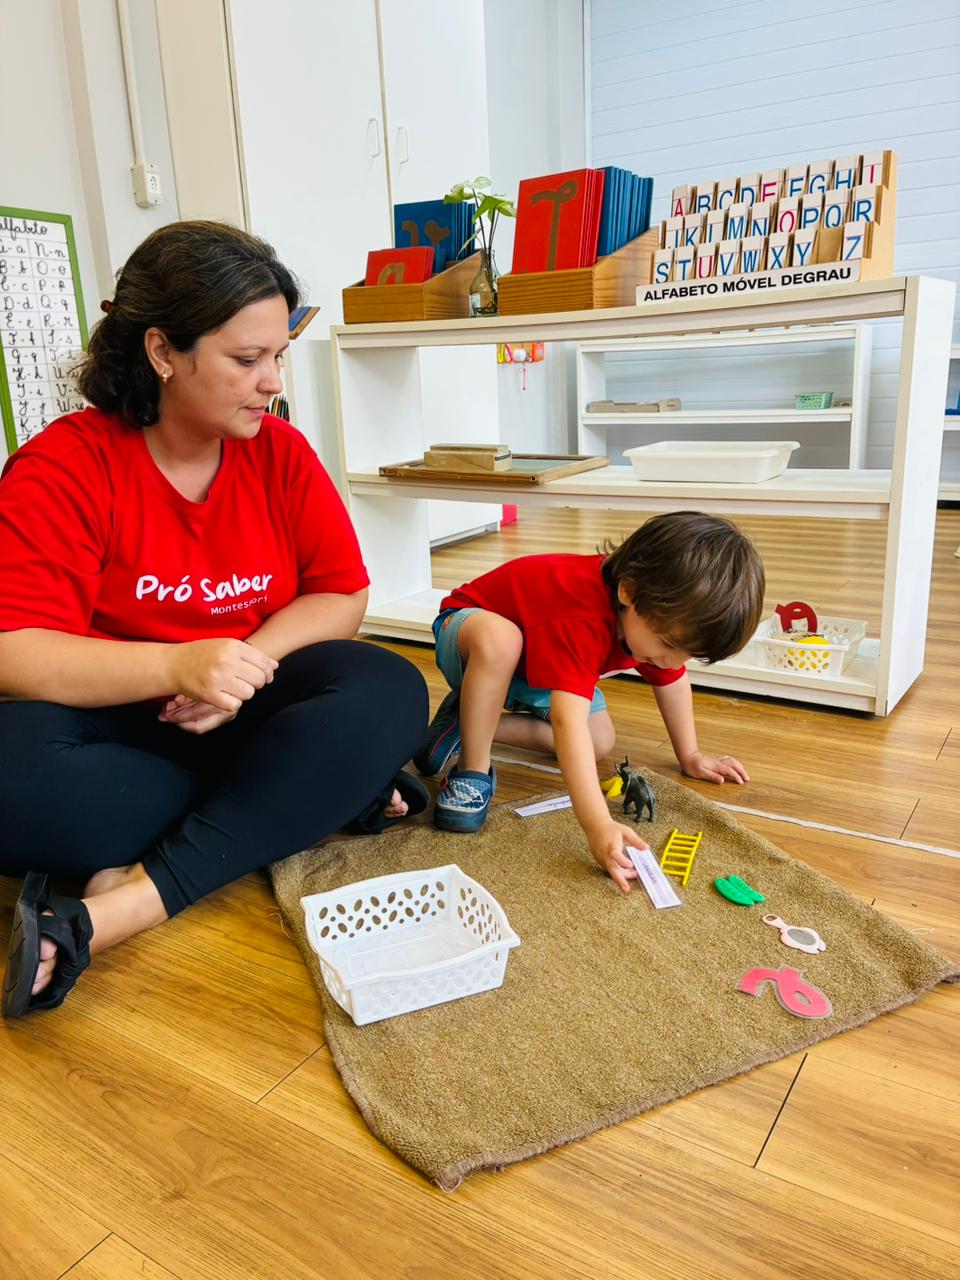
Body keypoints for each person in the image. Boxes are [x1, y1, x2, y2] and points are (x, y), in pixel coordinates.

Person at [0, 221, 428, 1018]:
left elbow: (341, 595)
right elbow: (16, 652)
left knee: (390, 689)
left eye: (277, 357)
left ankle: (123, 903)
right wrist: (176, 666)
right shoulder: (64, 465)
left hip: (245, 703)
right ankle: (297, 799)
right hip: (119, 723)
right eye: (245, 360)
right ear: (163, 352)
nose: (271, 382)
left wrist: (242, 664)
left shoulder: (282, 453)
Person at [413, 511, 765, 891]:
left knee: (600, 741)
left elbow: (673, 682)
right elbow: (566, 723)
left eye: (688, 654)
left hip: (539, 664)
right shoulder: (582, 614)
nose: (673, 661)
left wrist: (691, 756)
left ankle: (467, 723)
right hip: (469, 637)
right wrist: (598, 824)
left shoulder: (653, 622)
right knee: (503, 641)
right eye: (669, 646)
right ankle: (473, 770)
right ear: (627, 591)